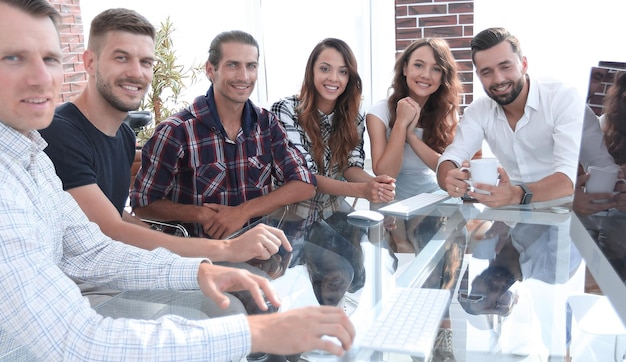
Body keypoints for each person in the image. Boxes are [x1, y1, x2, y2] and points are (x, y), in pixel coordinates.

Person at [0, 1, 354, 360]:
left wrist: (198, 272)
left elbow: (91, 248)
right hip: (91, 307)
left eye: (49, 59)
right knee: (246, 312)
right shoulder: (57, 143)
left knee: (336, 268)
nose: (42, 78)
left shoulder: (33, 156)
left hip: (219, 255)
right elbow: (77, 337)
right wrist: (245, 316)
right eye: (13, 57)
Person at [39, 8, 290, 271]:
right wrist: (225, 248)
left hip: (109, 272)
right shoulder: (59, 132)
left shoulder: (123, 134)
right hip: (76, 286)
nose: (136, 73)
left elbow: (113, 215)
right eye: (121, 58)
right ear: (90, 62)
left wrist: (178, 248)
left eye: (146, 62)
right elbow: (109, 229)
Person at [131, 30, 316, 239]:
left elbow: (305, 184)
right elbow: (143, 204)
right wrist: (198, 213)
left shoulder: (267, 123)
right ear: (210, 69)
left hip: (258, 254)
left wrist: (242, 212)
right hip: (200, 259)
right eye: (233, 65)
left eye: (251, 66)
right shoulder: (175, 131)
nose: (244, 76)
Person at [437, 27, 584, 208]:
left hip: (561, 215)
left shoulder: (562, 97)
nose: (498, 79)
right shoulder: (479, 110)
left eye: (505, 67)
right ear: (478, 76)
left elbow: (568, 179)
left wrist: (516, 193)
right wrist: (449, 179)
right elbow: (452, 157)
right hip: (511, 218)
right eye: (487, 72)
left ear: (523, 64)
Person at [271, 38, 396, 220]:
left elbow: (350, 166)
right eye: (324, 69)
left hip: (332, 215)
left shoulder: (353, 115)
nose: (333, 78)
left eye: (343, 72)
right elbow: (306, 177)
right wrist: (363, 190)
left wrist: (379, 186)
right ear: (311, 71)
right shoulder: (285, 110)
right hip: (290, 220)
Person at [367, 38, 462, 201]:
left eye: (436, 69)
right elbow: (385, 173)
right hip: (392, 202)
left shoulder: (446, 113)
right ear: (405, 68)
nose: (426, 75)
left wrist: (411, 137)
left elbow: (449, 173)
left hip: (435, 200)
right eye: (418, 65)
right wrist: (401, 123)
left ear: (443, 77)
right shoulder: (380, 111)